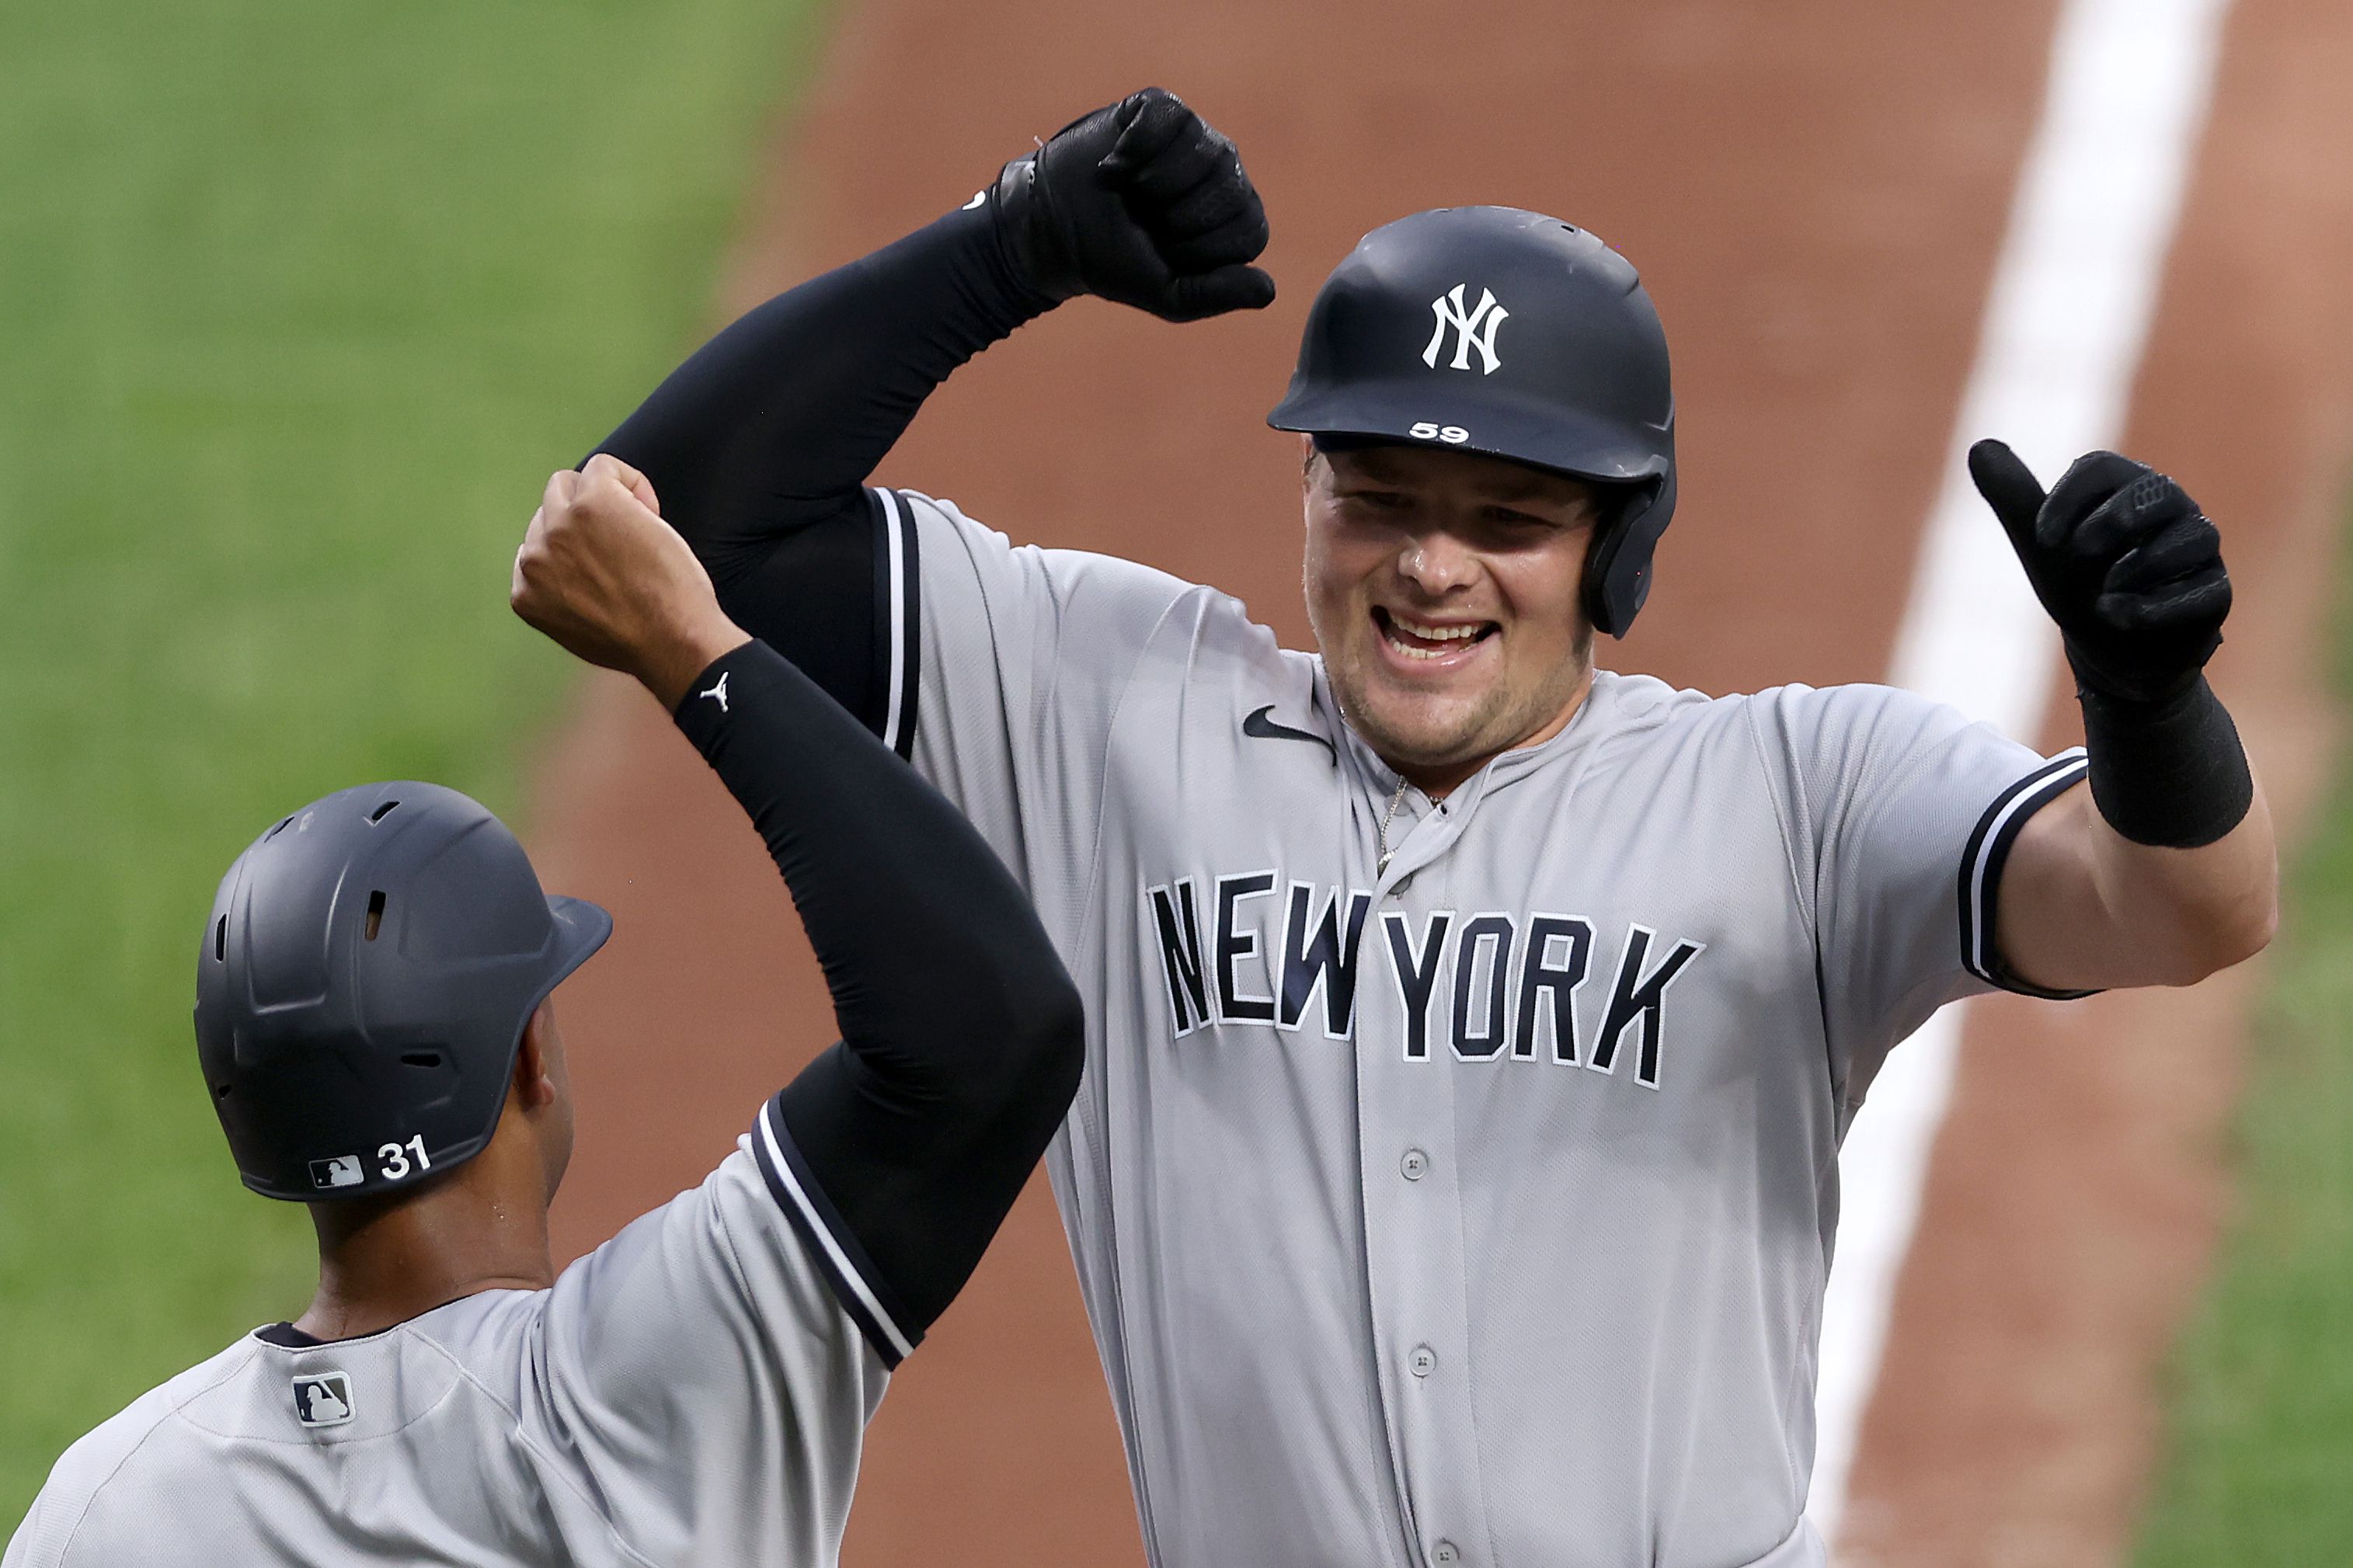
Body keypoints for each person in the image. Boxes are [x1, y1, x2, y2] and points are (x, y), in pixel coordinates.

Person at [581, 88, 2278, 1568]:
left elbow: (2182, 909)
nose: (1430, 564)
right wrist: (1003, 246)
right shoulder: (1109, 715)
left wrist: (2145, 702)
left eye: (1509, 518)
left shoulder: (1796, 795)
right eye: (1376, 494)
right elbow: (652, 530)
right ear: (1307, 490)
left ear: (1619, 546)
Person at [3, 455, 1084, 1567]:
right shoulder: (635, 1391)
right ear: (529, 1057)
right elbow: (986, 1029)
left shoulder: (106, 1507)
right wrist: (689, 648)